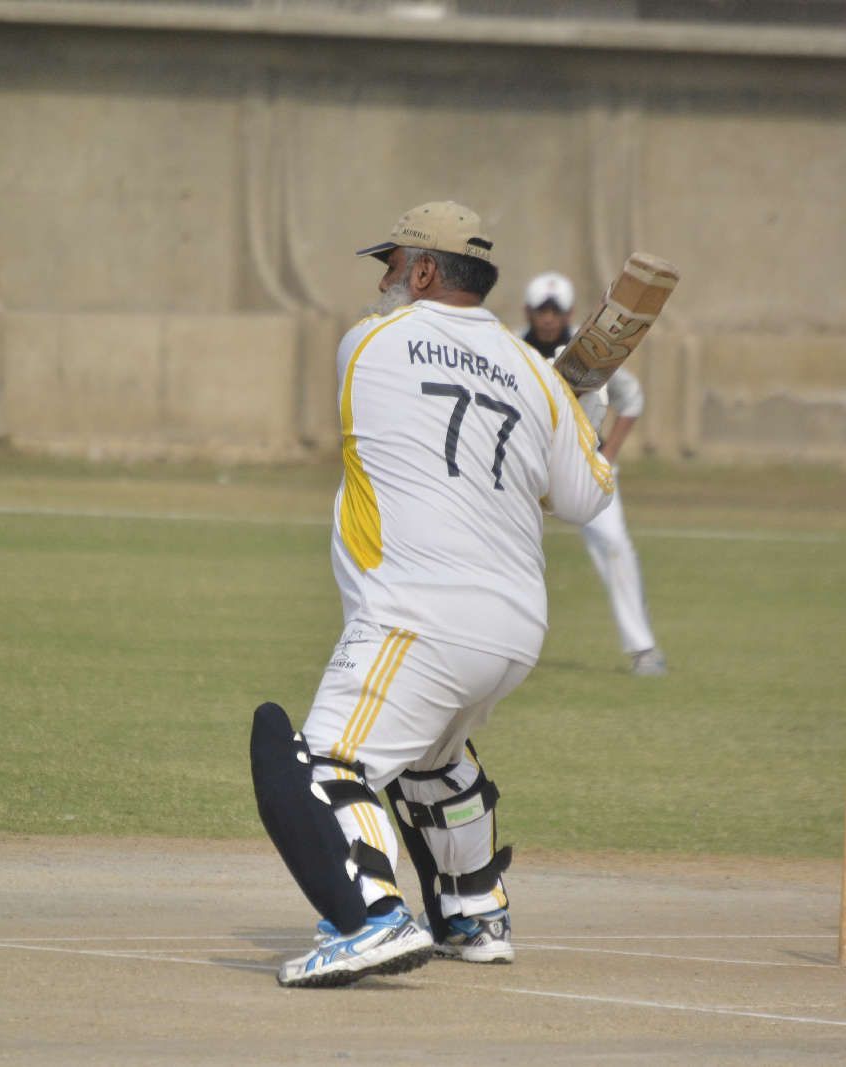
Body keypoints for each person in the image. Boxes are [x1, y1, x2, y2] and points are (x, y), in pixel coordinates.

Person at [249, 201, 615, 987]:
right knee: (433, 759)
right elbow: (584, 497)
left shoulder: (368, 342)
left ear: (421, 271)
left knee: (320, 764)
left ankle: (371, 918)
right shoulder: (536, 376)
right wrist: (583, 409)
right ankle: (474, 911)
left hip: (417, 616)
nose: (380, 282)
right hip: (516, 627)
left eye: (390, 266)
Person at [521, 271, 667, 676]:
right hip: (525, 467)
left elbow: (631, 399)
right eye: (541, 310)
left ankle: (643, 649)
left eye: (556, 311)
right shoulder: (514, 349)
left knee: (615, 544)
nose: (548, 318)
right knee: (501, 548)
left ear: (569, 313)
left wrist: (609, 456)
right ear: (528, 311)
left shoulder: (591, 351)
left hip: (582, 465)